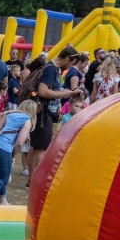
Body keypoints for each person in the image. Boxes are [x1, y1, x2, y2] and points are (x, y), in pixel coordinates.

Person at [27, 47, 83, 184]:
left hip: (40, 113)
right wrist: (63, 94)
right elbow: (43, 91)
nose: (69, 67)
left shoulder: (49, 67)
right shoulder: (51, 70)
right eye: (70, 64)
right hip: (44, 114)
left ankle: (31, 178)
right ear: (67, 59)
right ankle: (37, 180)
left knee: (34, 147)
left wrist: (67, 91)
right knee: (42, 148)